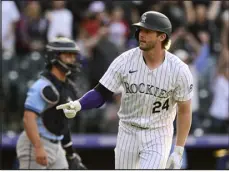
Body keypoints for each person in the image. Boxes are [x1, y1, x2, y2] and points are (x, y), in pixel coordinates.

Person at [57, 11, 193, 169]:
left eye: (147, 31)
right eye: (140, 30)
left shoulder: (179, 70)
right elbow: (102, 93)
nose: (141, 34)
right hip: (128, 131)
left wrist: (178, 150)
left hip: (159, 133)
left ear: (162, 37)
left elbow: (184, 110)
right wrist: (79, 104)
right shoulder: (124, 60)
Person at [16, 37, 87, 170]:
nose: (72, 59)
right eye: (67, 55)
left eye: (73, 55)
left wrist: (71, 154)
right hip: (36, 142)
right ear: (54, 57)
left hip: (56, 144)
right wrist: (38, 147)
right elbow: (28, 119)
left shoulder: (67, 87)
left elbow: (61, 122)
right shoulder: (42, 86)